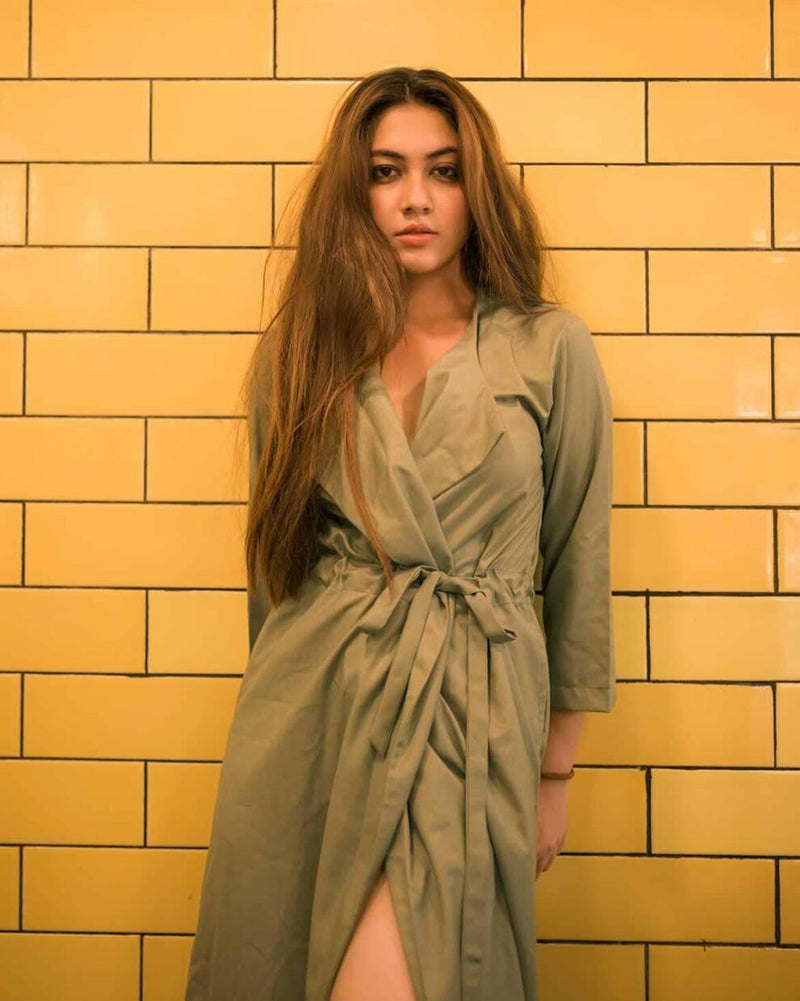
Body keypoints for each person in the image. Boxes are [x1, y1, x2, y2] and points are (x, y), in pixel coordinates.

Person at [184, 66, 615, 1001]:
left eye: (443, 170)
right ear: (356, 190)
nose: (415, 198)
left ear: (477, 188)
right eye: (386, 172)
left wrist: (556, 770)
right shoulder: (301, 352)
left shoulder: (549, 346)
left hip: (473, 704)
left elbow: (579, 558)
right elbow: (276, 576)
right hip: (315, 705)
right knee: (285, 956)